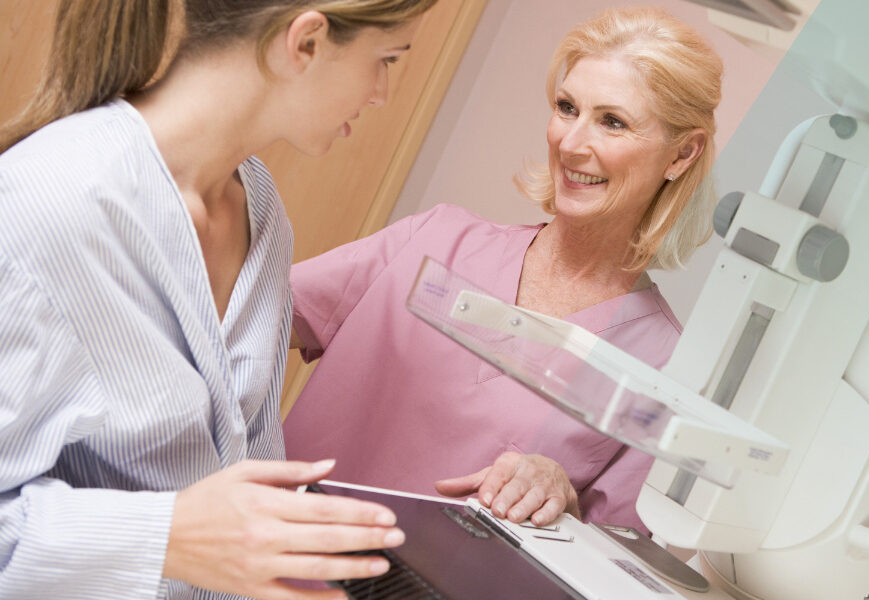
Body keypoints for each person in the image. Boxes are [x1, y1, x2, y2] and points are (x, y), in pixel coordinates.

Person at [0, 0, 437, 598]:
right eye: (384, 60)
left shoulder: (261, 211)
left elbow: (249, 465)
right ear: (305, 42)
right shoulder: (44, 207)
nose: (382, 92)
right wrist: (164, 536)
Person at [283, 6, 723, 533]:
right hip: (252, 561)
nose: (570, 142)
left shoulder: (662, 366)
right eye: (566, 107)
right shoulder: (435, 240)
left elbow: (617, 558)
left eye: (612, 121)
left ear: (681, 155)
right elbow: (239, 312)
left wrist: (563, 497)